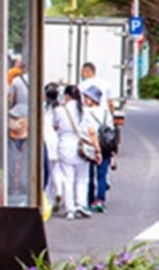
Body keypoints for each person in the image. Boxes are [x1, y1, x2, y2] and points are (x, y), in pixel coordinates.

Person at [46, 84, 91, 220]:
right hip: (83, 146)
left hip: (65, 145)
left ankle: (69, 209)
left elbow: (55, 126)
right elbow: (89, 129)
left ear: (67, 96)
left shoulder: (60, 110)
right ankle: (81, 204)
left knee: (67, 178)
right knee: (82, 178)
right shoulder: (84, 110)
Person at [79, 81, 116, 212]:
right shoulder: (106, 113)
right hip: (105, 145)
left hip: (91, 146)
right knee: (102, 175)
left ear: (92, 99)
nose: (85, 100)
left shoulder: (85, 112)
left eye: (87, 97)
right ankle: (100, 200)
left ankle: (90, 199)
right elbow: (111, 130)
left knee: (89, 175)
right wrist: (113, 152)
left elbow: (87, 130)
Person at [6, 56, 31, 194]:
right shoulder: (37, 80)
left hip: (17, 114)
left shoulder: (16, 81)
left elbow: (10, 100)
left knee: (13, 143)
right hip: (31, 114)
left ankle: (13, 181)